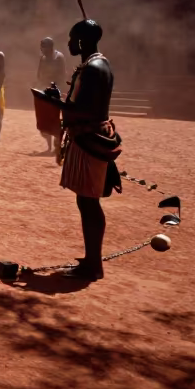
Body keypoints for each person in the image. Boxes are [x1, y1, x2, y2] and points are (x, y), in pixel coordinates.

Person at [53, 19, 123, 281]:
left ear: (82, 41)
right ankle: (92, 260)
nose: (69, 43)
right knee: (86, 200)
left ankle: (93, 265)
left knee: (88, 200)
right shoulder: (96, 63)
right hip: (88, 137)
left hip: (89, 138)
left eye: (72, 39)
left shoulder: (93, 67)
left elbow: (85, 110)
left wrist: (52, 102)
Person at [36, 37, 67, 152]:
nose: (42, 49)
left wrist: (56, 88)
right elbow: (39, 74)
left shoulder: (59, 57)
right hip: (44, 90)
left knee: (54, 119)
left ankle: (57, 146)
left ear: (50, 47)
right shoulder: (42, 58)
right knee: (44, 118)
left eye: (44, 46)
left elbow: (62, 75)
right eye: (41, 46)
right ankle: (48, 147)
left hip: (55, 91)